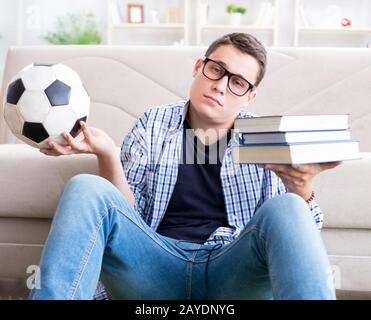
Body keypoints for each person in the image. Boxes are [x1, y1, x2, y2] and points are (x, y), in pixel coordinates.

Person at [29, 33, 340, 300]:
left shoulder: (263, 137)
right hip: (154, 266)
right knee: (86, 186)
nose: (221, 86)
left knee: (288, 205)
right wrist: (108, 153)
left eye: (238, 83)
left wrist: (301, 191)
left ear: (250, 97)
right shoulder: (153, 124)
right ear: (198, 68)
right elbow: (125, 221)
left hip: (232, 271)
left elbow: (292, 242)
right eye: (216, 70)